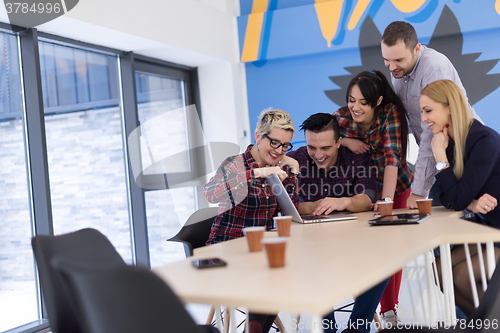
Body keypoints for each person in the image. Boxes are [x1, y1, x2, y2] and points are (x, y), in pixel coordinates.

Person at [287, 113, 388, 333]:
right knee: (312, 264)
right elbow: (283, 201)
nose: (318, 154)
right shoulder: (297, 159)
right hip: (312, 246)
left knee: (386, 260)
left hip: (353, 241)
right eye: (312, 147)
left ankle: (357, 328)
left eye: (325, 148)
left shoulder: (356, 159)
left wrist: (343, 201)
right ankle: (328, 330)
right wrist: (312, 207)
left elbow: (369, 196)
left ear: (339, 142)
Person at [203, 108, 300, 333]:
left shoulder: (278, 168)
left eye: (285, 145)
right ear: (258, 136)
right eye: (274, 142)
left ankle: (255, 327)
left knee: (286, 270)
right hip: (227, 250)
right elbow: (210, 193)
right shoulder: (234, 164)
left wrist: (293, 171)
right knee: (273, 275)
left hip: (259, 253)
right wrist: (259, 173)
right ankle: (256, 327)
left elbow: (288, 211)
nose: (279, 150)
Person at [333, 70, 413, 327]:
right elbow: (323, 140)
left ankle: (389, 310)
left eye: (362, 103)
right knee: (368, 249)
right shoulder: (341, 118)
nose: (355, 107)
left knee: (393, 247)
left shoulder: (390, 113)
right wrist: (346, 140)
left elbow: (392, 157)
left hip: (395, 186)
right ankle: (364, 311)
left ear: (377, 102)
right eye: (351, 100)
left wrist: (387, 201)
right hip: (363, 191)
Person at [381, 21, 481, 209]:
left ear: (417, 49)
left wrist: (418, 190)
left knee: (474, 225)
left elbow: (431, 131)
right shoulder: (398, 73)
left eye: (398, 60)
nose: (392, 67)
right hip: (437, 162)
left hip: (465, 157)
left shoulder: (434, 68)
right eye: (386, 59)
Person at [421, 79, 500, 316]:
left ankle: (486, 326)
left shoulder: (484, 140)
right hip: (490, 230)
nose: (424, 119)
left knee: (462, 275)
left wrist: (438, 155)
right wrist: (472, 202)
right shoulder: (453, 143)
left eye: (428, 111)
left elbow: (454, 198)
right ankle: (485, 326)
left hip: (495, 231)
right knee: (438, 270)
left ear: (450, 108)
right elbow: (447, 197)